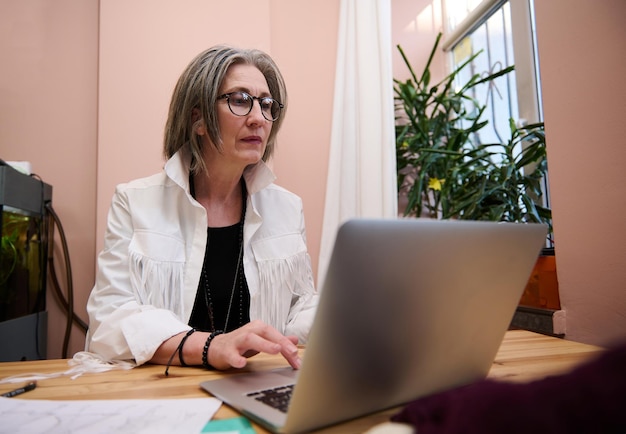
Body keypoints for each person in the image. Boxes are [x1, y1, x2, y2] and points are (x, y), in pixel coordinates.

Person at [85, 45, 318, 371]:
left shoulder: (287, 208)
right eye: (240, 101)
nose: (258, 118)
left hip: (254, 384)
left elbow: (300, 306)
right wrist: (211, 347)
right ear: (198, 119)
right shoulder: (135, 201)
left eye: (266, 104)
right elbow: (109, 320)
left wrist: (341, 315)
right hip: (164, 391)